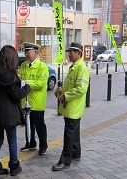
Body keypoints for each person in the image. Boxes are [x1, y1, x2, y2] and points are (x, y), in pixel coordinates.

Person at [0, 45, 31, 177]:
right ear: (12, 59)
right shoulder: (10, 75)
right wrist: (27, 87)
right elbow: (16, 95)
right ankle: (14, 166)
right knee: (12, 140)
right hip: (9, 114)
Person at [52, 42, 90, 171]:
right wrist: (61, 90)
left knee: (69, 134)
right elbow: (73, 86)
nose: (69, 54)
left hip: (73, 107)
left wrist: (65, 96)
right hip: (72, 106)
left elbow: (81, 89)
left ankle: (65, 161)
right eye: (69, 52)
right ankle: (75, 153)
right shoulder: (75, 66)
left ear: (78, 53)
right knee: (74, 131)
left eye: (71, 52)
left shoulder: (81, 68)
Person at [18, 42, 49, 155]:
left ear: (36, 53)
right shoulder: (23, 65)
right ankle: (30, 143)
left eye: (28, 51)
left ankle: (43, 145)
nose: (26, 54)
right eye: (25, 51)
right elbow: (19, 78)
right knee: (28, 124)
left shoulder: (43, 66)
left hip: (37, 101)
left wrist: (26, 82)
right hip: (25, 100)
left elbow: (41, 83)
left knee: (39, 124)